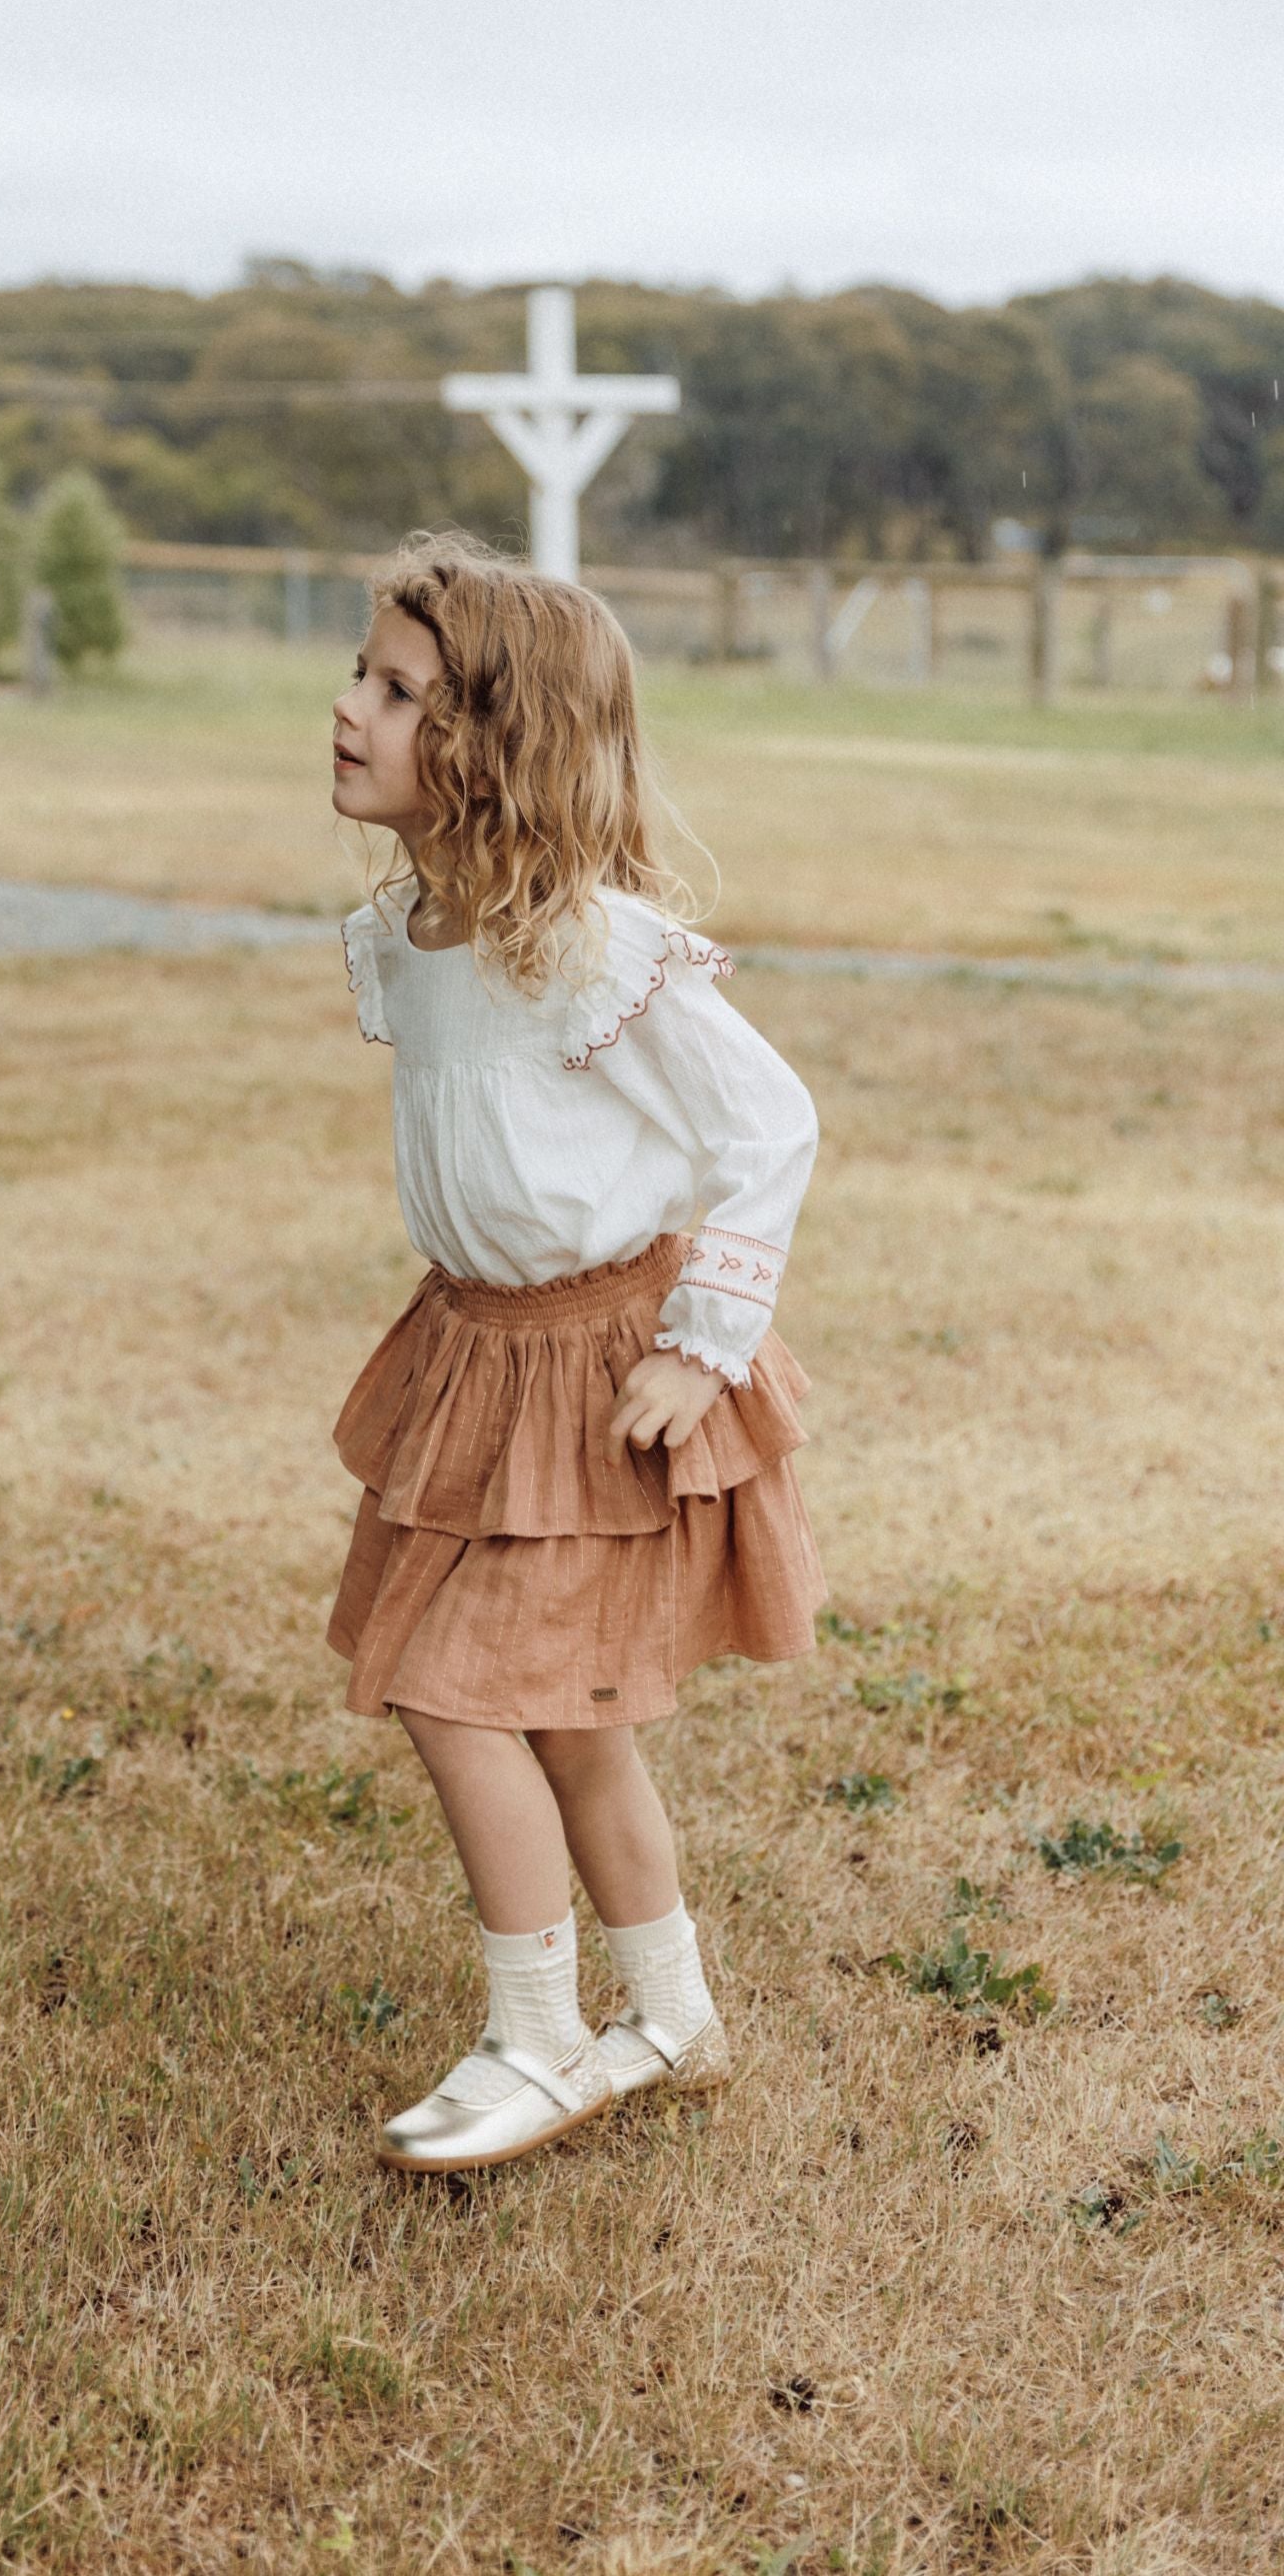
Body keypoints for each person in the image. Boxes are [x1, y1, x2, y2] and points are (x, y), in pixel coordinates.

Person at [327, 537, 823, 2173]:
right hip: (478, 1359)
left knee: (453, 1689)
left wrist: (706, 1346)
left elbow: (770, 1125)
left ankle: (537, 2037)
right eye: (361, 677)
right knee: (563, 1717)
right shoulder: (414, 933)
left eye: (398, 692)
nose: (350, 710)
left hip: (604, 1373)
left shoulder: (592, 945)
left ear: (491, 745)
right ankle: (671, 2014)